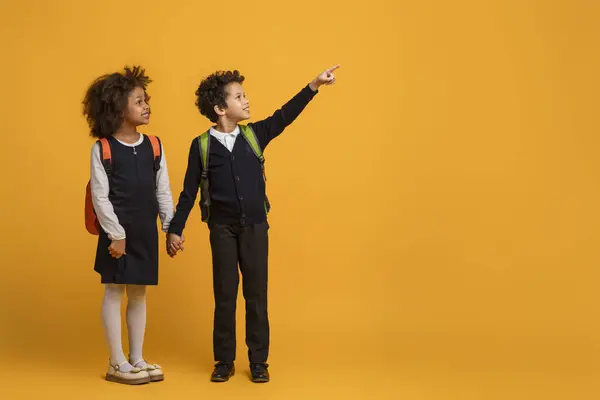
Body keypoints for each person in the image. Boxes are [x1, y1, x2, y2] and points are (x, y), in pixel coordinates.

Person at [166, 65, 340, 383]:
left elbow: (284, 116)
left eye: (245, 95)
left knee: (256, 295)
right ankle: (224, 361)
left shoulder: (254, 135)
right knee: (225, 294)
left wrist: (313, 86)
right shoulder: (201, 146)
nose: (246, 101)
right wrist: (175, 228)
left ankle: (258, 360)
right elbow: (188, 192)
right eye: (239, 96)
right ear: (220, 109)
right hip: (221, 229)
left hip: (256, 228)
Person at [83, 65, 174, 385]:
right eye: (139, 101)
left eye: (146, 100)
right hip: (117, 234)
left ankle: (136, 358)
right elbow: (99, 196)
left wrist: (170, 227)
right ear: (119, 108)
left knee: (139, 294)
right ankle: (116, 361)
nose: (147, 105)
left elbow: (162, 189)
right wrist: (116, 235)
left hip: (146, 231)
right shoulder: (103, 148)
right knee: (113, 290)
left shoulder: (155, 145)